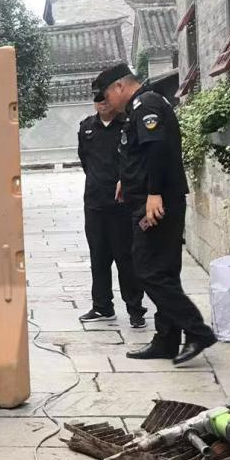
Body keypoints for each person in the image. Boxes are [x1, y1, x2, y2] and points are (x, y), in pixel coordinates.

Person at [95, 63, 217, 365]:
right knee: (164, 271)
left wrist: (153, 193)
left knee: (148, 270)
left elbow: (157, 150)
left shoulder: (146, 104)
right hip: (153, 199)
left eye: (107, 94)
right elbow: (140, 153)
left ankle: (197, 331)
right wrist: (127, 179)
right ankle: (167, 340)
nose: (107, 101)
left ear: (120, 86)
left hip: (156, 204)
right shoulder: (143, 105)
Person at [78, 81, 147, 328]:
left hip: (121, 204)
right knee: (98, 256)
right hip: (94, 202)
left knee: (125, 257)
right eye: (98, 99)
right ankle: (102, 306)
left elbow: (136, 160)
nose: (102, 103)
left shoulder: (127, 124)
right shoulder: (87, 128)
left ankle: (135, 309)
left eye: (105, 97)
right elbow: (85, 160)